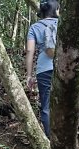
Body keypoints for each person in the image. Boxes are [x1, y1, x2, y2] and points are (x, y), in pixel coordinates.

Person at [25, 0, 59, 137]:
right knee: (65, 102)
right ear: (56, 10)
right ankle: (66, 138)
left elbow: (29, 51)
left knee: (46, 106)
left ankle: (51, 140)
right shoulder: (63, 25)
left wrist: (29, 75)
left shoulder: (34, 27)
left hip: (44, 70)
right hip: (64, 68)